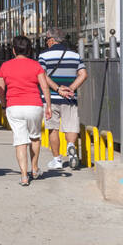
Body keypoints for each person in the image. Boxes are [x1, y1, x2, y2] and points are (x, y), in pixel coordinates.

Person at [0, 35, 54, 185]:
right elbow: (44, 86)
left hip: (14, 106)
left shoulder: (5, 66)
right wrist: (48, 105)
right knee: (34, 137)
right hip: (34, 105)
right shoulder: (36, 66)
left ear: (14, 50)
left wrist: (4, 105)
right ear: (29, 50)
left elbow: (0, 90)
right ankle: (34, 168)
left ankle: (23, 175)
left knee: (20, 141)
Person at [40, 29, 88, 169]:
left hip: (50, 97)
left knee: (52, 128)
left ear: (52, 40)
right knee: (71, 126)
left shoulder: (44, 55)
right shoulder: (74, 55)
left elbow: (42, 75)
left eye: (47, 40)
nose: (46, 43)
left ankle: (57, 160)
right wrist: (71, 88)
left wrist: (57, 89)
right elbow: (83, 74)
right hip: (70, 97)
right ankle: (71, 146)